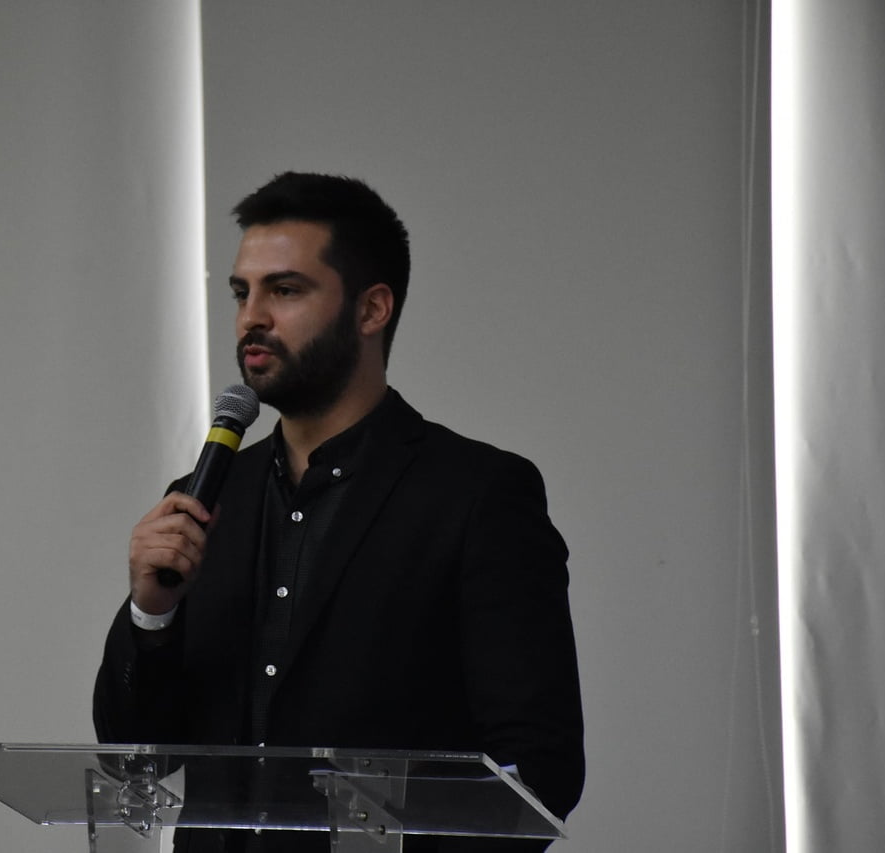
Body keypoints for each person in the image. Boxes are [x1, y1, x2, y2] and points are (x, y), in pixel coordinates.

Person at [94, 172, 584, 850]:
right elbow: (134, 761)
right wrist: (152, 614)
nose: (251, 317)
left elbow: (540, 771)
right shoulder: (205, 500)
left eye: (285, 290)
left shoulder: (476, 495)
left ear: (372, 309)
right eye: (241, 292)